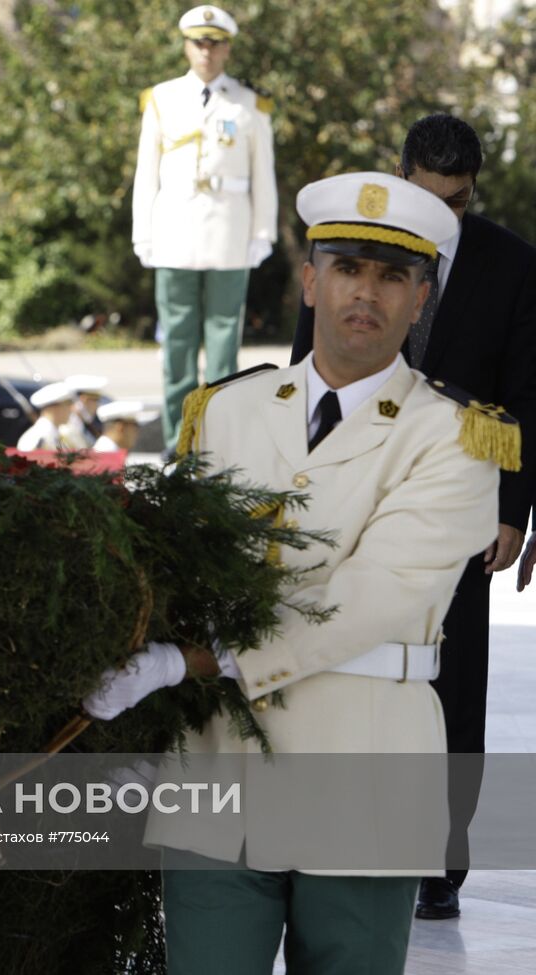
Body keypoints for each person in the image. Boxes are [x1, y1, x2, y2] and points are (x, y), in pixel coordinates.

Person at [85, 172, 509, 973]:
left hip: (364, 770)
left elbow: (368, 601)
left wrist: (186, 662)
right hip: (215, 770)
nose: (367, 292)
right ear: (311, 280)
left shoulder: (456, 438)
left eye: (393, 277)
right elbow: (179, 573)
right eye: (348, 267)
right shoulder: (225, 411)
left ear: (423, 301)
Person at [290, 114, 536, 919]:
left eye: (458, 203)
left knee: (452, 681)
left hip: (456, 496)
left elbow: (528, 389)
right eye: (428, 196)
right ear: (399, 176)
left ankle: (441, 862)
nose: (443, 216)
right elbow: (307, 361)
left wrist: (513, 507)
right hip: (349, 482)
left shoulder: (512, 265)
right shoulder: (350, 242)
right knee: (334, 657)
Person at [133, 3, 277, 451]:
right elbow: (147, 172)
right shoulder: (161, 98)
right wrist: (144, 232)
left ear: (227, 48)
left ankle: (217, 443)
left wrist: (262, 233)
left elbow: (263, 174)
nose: (206, 52)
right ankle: (179, 441)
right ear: (185, 46)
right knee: (176, 345)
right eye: (199, 42)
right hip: (174, 233)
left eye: (214, 43)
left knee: (222, 344)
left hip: (230, 234)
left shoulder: (250, 104)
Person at [17, 381, 81, 452]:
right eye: (68, 405)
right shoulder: (37, 439)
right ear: (54, 408)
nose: (71, 410)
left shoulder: (55, 435)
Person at [92, 400, 158, 453]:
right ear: (121, 427)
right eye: (135, 426)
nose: (137, 432)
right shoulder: (107, 454)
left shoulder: (109, 451)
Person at [63, 373, 109, 447]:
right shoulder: (68, 429)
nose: (97, 405)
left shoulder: (85, 425)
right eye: (95, 400)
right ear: (84, 399)